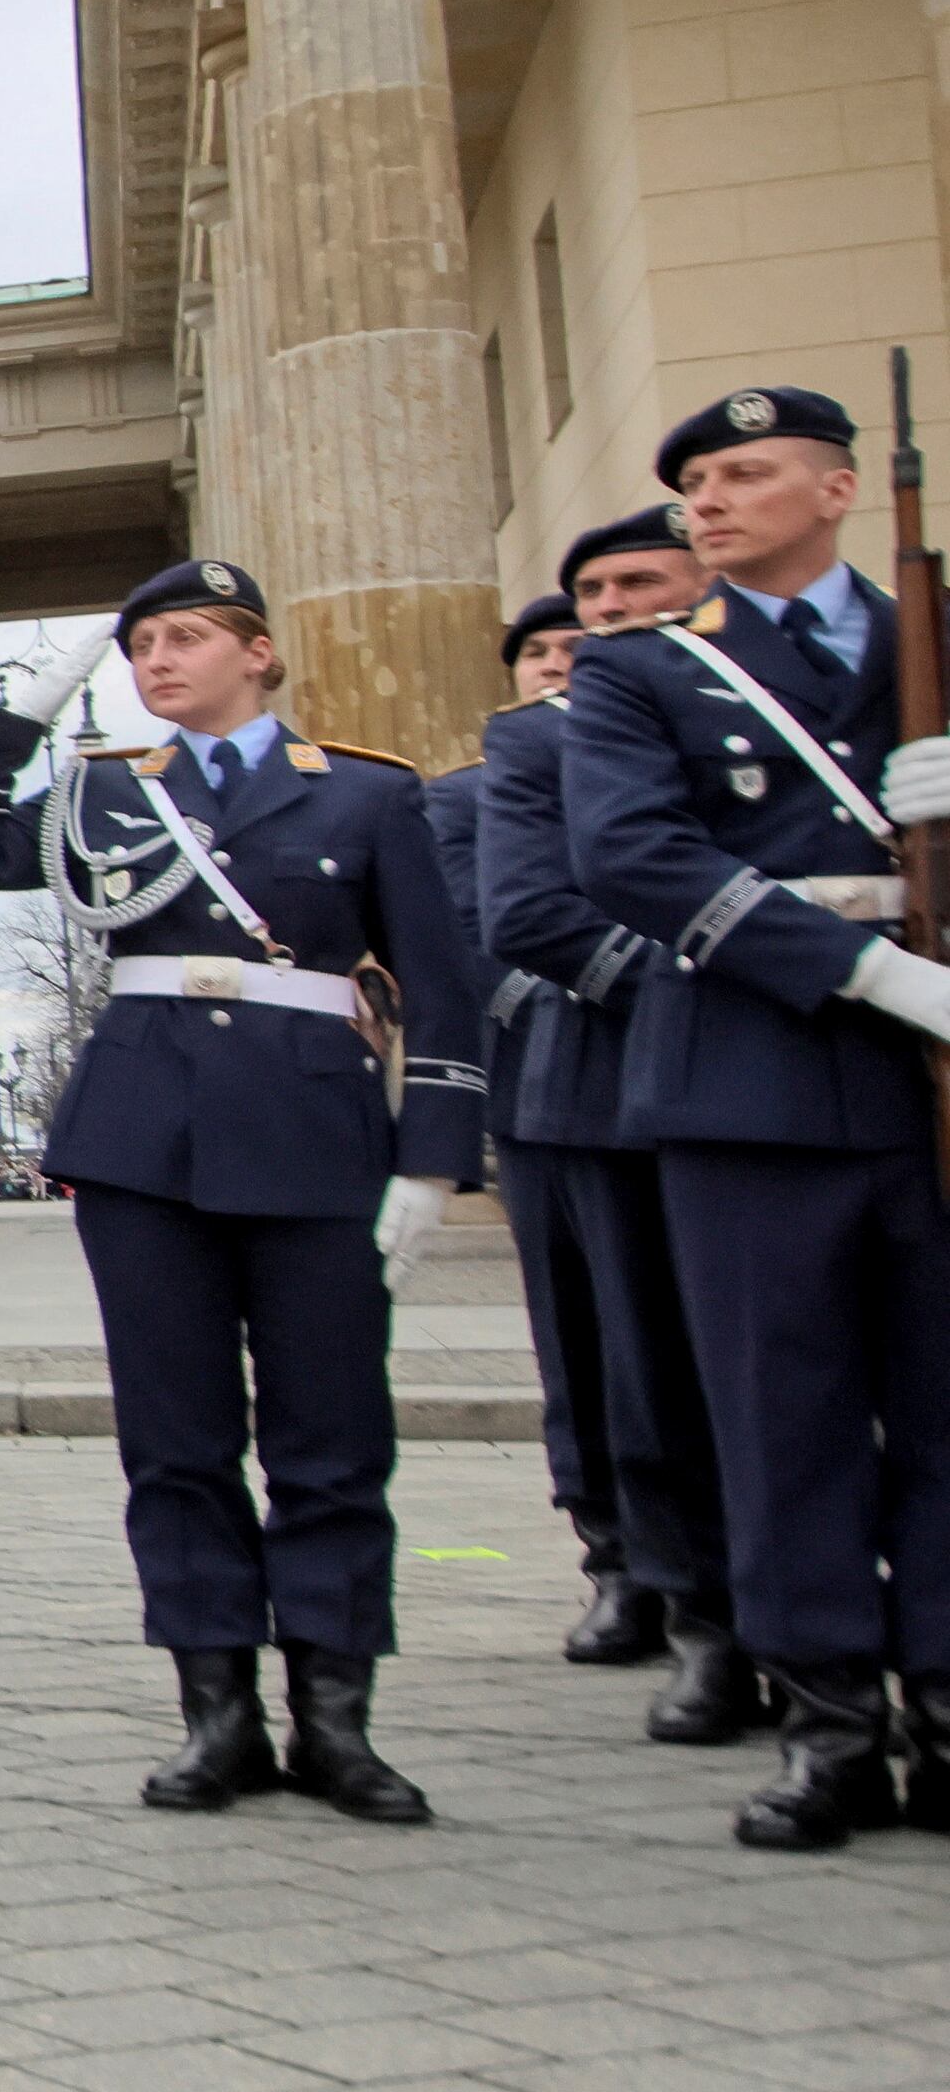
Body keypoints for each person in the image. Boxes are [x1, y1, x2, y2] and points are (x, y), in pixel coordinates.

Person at [0, 560, 475, 1824]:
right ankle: (213, 1712)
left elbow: (441, 979)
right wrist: (15, 718)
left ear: (259, 654)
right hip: (142, 1139)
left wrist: (433, 1154)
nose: (154, 661)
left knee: (329, 1441)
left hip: (314, 1134)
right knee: (175, 1441)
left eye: (184, 638)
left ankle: (334, 1721)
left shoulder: (369, 793)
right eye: (137, 646)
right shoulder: (103, 792)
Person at [573, 387, 950, 1849]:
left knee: (939, 1409)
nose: (710, 502)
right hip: (753, 1066)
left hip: (930, 1084)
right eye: (695, 484)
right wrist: (861, 968)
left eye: (745, 473)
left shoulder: (930, 627)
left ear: (841, 486)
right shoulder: (645, 669)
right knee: (782, 1414)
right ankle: (832, 1716)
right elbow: (631, 853)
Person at [476, 505, 754, 1738]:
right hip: (604, 1076)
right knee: (639, 1369)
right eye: (586, 592)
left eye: (638, 581)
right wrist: (756, 971)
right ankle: (686, 1601)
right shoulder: (535, 743)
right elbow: (519, 911)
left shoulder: (769, 702)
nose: (604, 610)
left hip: (808, 1073)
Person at [439, 594, 631, 1644]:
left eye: (577, 649)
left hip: (683, 1079)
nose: (558, 663)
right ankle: (610, 1547)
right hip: (549, 1084)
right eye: (539, 652)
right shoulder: (472, 791)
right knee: (579, 1333)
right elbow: (466, 936)